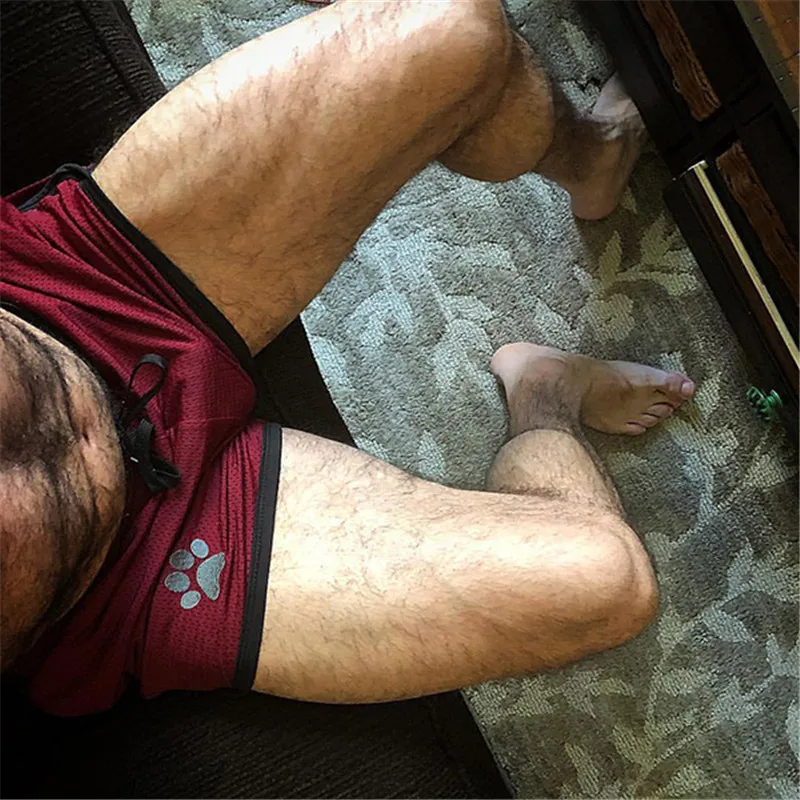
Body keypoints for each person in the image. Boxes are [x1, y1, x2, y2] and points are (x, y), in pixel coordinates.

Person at [0, 0, 694, 716]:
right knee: (607, 580)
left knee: (452, 31)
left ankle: (594, 157)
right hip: (126, 579)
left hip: (75, 291)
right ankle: (545, 392)